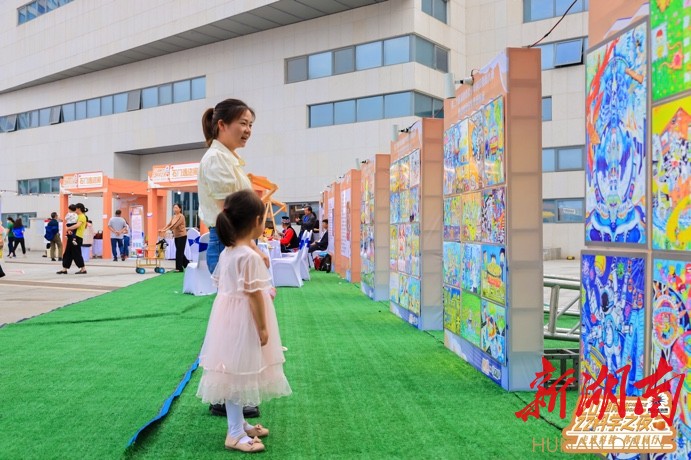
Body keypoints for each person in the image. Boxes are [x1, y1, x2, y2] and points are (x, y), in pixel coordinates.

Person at [196, 190, 291, 453]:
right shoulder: (247, 255)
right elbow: (253, 295)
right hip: (244, 320)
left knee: (236, 372)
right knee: (238, 373)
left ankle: (239, 424)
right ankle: (234, 433)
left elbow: (231, 286)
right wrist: (263, 327)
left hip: (228, 318)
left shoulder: (230, 251)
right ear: (256, 221)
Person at [198, 98, 269, 419]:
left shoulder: (228, 158)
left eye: (251, 124)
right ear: (221, 124)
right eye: (242, 123)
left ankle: (229, 395)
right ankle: (228, 397)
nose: (248, 130)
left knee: (236, 325)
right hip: (230, 241)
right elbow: (232, 210)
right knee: (236, 325)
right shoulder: (216, 160)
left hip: (236, 242)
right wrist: (252, 247)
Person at [57, 203, 88, 275]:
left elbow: (77, 225)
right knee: (68, 252)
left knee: (76, 253)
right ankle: (64, 268)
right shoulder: (77, 215)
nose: (75, 210)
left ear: (79, 209)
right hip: (72, 236)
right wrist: (69, 229)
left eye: (76, 208)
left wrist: (68, 228)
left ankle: (83, 269)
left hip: (77, 237)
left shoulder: (82, 216)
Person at [159, 203, 188, 272]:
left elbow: (174, 225)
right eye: (174, 208)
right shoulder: (173, 216)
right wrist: (162, 229)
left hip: (182, 236)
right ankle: (187, 264)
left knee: (179, 252)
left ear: (180, 209)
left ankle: (179, 268)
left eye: (176, 208)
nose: (175, 209)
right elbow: (169, 224)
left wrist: (165, 230)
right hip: (176, 236)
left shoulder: (181, 216)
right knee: (179, 251)